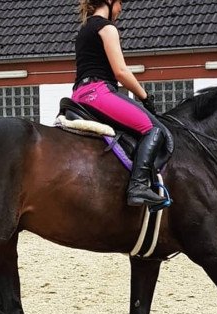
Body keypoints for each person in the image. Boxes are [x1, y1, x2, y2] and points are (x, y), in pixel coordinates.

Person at [72, 0, 166, 207]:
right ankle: (138, 187)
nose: (121, 8)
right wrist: (145, 97)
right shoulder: (106, 27)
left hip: (79, 94)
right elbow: (121, 72)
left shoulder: (85, 29)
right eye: (120, 2)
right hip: (98, 92)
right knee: (153, 129)